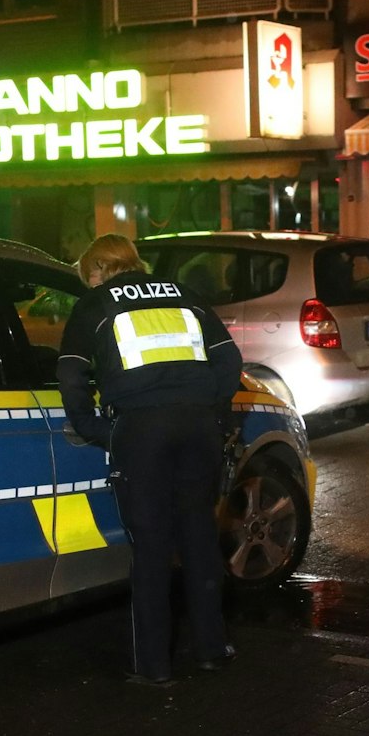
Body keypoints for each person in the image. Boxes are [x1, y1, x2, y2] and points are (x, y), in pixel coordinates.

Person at [58, 233, 243, 686]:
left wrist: (96, 428)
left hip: (142, 431)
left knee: (152, 546)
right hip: (198, 426)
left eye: (89, 276)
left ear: (98, 269)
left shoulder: (97, 303)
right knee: (199, 536)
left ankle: (154, 666)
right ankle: (211, 651)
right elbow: (229, 360)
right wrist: (208, 409)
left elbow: (71, 373)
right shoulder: (184, 294)